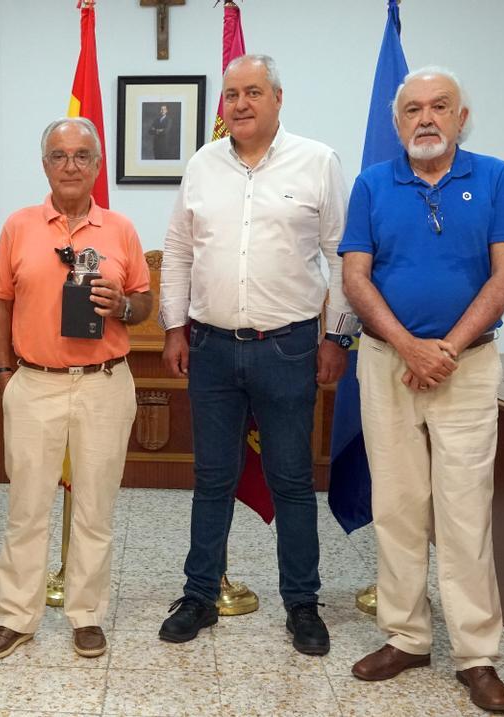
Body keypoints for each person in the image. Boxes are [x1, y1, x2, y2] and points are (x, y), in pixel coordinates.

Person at [157, 54, 356, 656]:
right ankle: (199, 594)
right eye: (231, 94)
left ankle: (302, 603)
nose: (239, 103)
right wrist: (173, 327)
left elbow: (343, 257)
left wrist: (337, 336)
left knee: (293, 481)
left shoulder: (317, 161)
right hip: (212, 348)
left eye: (252, 92)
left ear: (277, 97)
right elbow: (178, 251)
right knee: (211, 478)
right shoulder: (202, 164)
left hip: (290, 348)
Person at [339, 66, 504, 713]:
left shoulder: (495, 177)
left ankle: (476, 653)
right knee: (396, 502)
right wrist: (412, 347)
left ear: (460, 117)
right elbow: (356, 280)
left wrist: (444, 349)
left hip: (468, 368)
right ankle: (408, 635)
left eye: (439, 106)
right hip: (388, 365)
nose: (426, 118)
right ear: (397, 124)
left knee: (466, 510)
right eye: (413, 108)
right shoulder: (370, 184)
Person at [0, 117, 153, 661]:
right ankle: (16, 617)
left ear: (98, 166)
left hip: (104, 384)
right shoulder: (19, 226)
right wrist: (3, 374)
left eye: (81, 156)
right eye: (59, 155)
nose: (70, 165)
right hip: (34, 384)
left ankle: (86, 615)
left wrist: (122, 305)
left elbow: (144, 303)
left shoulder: (120, 229)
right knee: (26, 508)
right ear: (45, 164)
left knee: (95, 507)